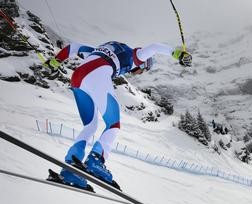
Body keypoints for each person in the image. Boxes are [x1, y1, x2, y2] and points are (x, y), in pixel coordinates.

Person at [45, 41, 192, 189]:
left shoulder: (99, 50)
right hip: (97, 74)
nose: (140, 73)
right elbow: (154, 47)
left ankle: (70, 169)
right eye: (144, 69)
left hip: (78, 77)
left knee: (90, 126)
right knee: (113, 124)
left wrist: (56, 60)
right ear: (142, 64)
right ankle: (95, 161)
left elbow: (74, 47)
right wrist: (178, 54)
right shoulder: (134, 56)